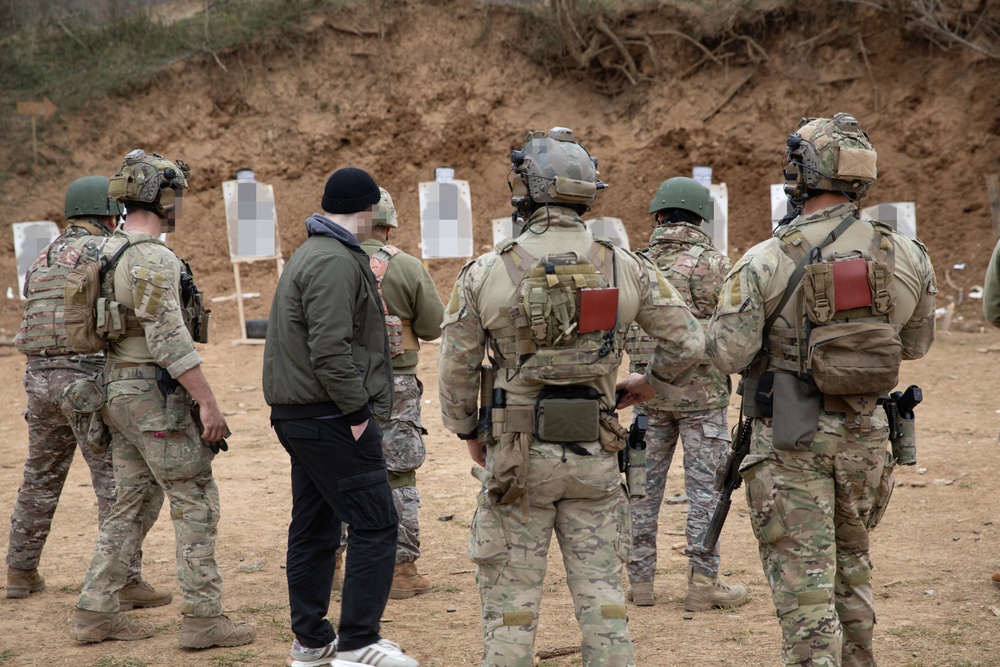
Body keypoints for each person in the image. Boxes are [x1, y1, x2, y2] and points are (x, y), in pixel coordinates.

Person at [438, 127, 704, 667]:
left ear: (526, 191)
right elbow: (690, 341)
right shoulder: (624, 265)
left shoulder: (487, 272)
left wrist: (469, 431)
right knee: (604, 600)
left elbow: (456, 372)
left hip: (516, 456)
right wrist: (649, 383)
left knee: (511, 606)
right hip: (596, 454)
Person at [706, 113, 937, 666]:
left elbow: (727, 354)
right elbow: (916, 345)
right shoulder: (907, 254)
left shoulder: (765, 259)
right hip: (867, 434)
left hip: (790, 435)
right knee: (853, 565)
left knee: (804, 589)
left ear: (802, 174)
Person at [70, 150, 255, 649]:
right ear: (164, 198)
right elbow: (170, 341)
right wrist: (209, 405)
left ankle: (95, 610)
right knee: (195, 501)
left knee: (131, 503)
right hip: (153, 395)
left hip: (116, 391)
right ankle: (203, 619)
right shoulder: (151, 257)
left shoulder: (104, 250)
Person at [263, 167, 419, 667]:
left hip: (305, 414)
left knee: (315, 528)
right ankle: (357, 643)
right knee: (376, 524)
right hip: (329, 415)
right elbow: (330, 349)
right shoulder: (332, 259)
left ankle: (312, 642)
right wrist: (356, 413)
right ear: (367, 209)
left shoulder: (315, 252)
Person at [8, 176, 169, 609]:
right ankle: (127, 580)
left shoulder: (42, 256)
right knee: (115, 482)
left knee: (40, 476)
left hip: (38, 378)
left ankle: (20, 570)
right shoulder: (106, 250)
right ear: (108, 213)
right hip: (84, 380)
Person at [623, 177, 746, 611]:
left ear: (658, 216)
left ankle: (639, 583)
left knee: (639, 488)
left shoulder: (633, 263)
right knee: (706, 490)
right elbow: (734, 329)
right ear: (700, 220)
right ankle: (702, 582)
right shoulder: (716, 263)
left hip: (643, 393)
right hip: (703, 396)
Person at [335, 187, 445, 599]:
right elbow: (434, 327)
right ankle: (400, 571)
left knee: (337, 472)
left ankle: (333, 564)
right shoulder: (407, 266)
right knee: (399, 473)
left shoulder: (325, 260)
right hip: (396, 385)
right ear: (388, 222)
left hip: (337, 384)